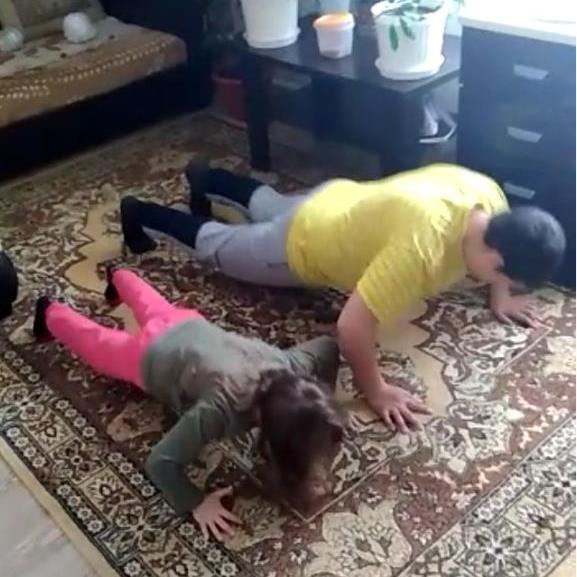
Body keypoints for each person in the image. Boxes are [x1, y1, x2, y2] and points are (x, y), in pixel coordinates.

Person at [119, 162, 567, 433]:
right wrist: (376, 391)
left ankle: (204, 177)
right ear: (497, 258)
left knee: (271, 204)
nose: (501, 283)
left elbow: (503, 250)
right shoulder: (421, 250)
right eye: (506, 279)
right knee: (222, 246)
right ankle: (140, 213)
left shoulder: (489, 197)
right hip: (304, 246)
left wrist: (500, 295)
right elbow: (352, 326)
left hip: (340, 198)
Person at [33, 268, 344, 541]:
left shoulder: (292, 365)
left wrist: (324, 394)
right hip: (150, 357)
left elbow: (328, 346)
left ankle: (117, 275)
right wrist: (195, 502)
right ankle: (49, 312)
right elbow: (160, 462)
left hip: (188, 325)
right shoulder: (221, 410)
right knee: (95, 343)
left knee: (152, 305)